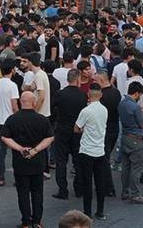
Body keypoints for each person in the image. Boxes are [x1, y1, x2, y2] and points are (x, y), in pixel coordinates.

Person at [1, 91, 55, 228]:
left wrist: (20, 148)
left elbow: (5, 137)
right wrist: (35, 150)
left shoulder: (12, 119)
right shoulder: (42, 119)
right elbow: (50, 137)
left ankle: (25, 222)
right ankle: (37, 221)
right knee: (37, 192)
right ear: (34, 102)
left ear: (21, 102)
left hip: (20, 162)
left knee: (23, 193)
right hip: (38, 163)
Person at [74, 83, 108, 220]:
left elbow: (76, 128)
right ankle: (100, 211)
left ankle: (87, 212)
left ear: (88, 94)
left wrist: (84, 129)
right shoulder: (104, 109)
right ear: (101, 95)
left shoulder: (86, 111)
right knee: (100, 183)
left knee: (87, 183)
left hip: (86, 151)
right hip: (100, 150)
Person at [52, 69, 87, 200]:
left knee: (61, 161)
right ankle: (79, 188)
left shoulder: (60, 94)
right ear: (78, 79)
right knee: (78, 161)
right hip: (77, 131)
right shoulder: (83, 95)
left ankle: (62, 189)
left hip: (62, 130)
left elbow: (52, 108)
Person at [118, 82, 143, 204]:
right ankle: (135, 194)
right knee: (136, 168)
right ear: (136, 93)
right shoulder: (135, 107)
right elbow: (142, 123)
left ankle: (125, 191)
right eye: (139, 95)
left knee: (126, 166)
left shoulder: (122, 104)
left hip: (125, 137)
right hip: (136, 139)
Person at [0, 58, 20, 186]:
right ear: (12, 70)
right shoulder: (13, 85)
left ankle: (1, 177)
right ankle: (17, 177)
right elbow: (14, 105)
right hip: (11, 121)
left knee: (1, 151)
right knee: (15, 149)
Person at [94, 71, 120, 197]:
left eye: (95, 81)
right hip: (114, 128)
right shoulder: (116, 92)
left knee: (104, 160)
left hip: (104, 130)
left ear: (101, 80)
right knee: (106, 157)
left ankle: (108, 187)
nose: (94, 83)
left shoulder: (101, 96)